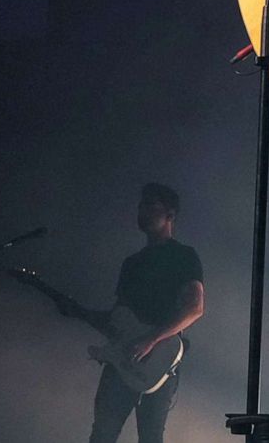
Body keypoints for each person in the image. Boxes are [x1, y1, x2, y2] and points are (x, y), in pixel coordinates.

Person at [84, 182, 206, 443]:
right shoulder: (132, 263)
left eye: (151, 206)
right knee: (102, 434)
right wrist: (75, 310)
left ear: (170, 215)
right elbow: (119, 316)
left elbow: (195, 308)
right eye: (141, 206)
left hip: (160, 363)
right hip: (122, 360)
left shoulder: (183, 256)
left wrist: (151, 340)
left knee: (150, 438)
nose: (143, 211)